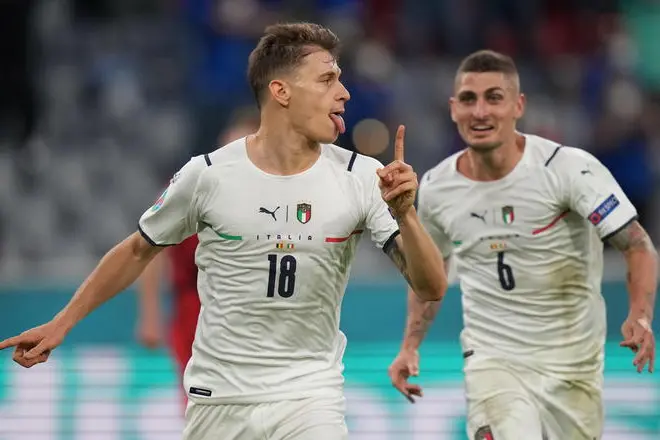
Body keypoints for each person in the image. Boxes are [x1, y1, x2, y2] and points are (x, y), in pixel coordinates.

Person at [0, 22, 448, 440]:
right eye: (327, 80)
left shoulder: (362, 176)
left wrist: (407, 215)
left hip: (310, 399)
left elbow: (431, 284)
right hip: (220, 402)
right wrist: (61, 324)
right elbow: (138, 250)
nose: (345, 93)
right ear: (281, 91)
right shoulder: (208, 176)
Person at [388, 49, 657, 440]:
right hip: (492, 358)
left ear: (518, 105)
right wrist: (409, 345)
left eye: (494, 98)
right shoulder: (437, 187)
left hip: (572, 361)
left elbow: (637, 244)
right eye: (468, 99)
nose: (480, 111)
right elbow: (432, 273)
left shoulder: (567, 169)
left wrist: (641, 314)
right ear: (452, 109)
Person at [136, 109, 260, 407]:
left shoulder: (275, 194)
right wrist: (150, 314)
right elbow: (152, 250)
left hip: (254, 315)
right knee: (201, 405)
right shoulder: (193, 186)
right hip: (197, 311)